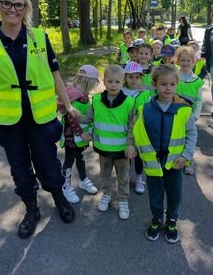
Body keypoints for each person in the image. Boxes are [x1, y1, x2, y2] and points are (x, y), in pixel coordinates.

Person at [0, 0, 78, 239]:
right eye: (6, 3)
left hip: (41, 117)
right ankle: (31, 209)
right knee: (19, 167)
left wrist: (67, 105)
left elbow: (55, 76)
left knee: (47, 162)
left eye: (18, 5)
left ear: (25, 8)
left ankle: (58, 197)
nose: (12, 9)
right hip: (8, 121)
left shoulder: (40, 37)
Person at [133, 64, 197, 243]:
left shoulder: (184, 109)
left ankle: (172, 221)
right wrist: (132, 147)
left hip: (175, 163)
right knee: (155, 195)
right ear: (154, 85)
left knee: (175, 195)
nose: (168, 88)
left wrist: (186, 156)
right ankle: (157, 220)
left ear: (176, 85)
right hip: (153, 164)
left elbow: (192, 134)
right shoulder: (145, 109)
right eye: (163, 84)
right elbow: (137, 132)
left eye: (172, 84)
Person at [79, 65, 136, 220]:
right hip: (103, 149)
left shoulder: (130, 102)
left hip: (122, 151)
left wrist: (131, 145)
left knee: (123, 177)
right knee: (105, 175)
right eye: (109, 81)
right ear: (104, 82)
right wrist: (78, 116)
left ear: (123, 82)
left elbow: (132, 126)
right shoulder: (96, 100)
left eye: (117, 82)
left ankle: (123, 200)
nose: (113, 85)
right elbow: (88, 117)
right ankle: (106, 195)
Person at [57, 65, 99, 204]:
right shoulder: (77, 95)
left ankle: (83, 180)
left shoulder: (81, 94)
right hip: (73, 136)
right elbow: (70, 117)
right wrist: (81, 134)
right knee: (69, 160)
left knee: (80, 157)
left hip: (79, 137)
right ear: (90, 82)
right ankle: (65, 186)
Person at [122, 61, 152, 194]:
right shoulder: (120, 91)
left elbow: (150, 111)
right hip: (124, 129)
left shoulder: (145, 94)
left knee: (139, 155)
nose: (134, 80)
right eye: (130, 77)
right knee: (125, 155)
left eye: (137, 77)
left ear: (141, 78)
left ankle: (139, 178)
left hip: (140, 130)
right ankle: (125, 177)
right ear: (125, 77)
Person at [175, 47, 204, 175]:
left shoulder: (197, 81)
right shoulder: (174, 75)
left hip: (189, 115)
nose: (185, 63)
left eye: (188, 61)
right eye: (182, 60)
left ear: (193, 62)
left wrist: (196, 114)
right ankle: (175, 157)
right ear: (178, 61)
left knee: (188, 137)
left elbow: (199, 100)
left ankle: (189, 160)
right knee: (175, 136)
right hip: (174, 113)